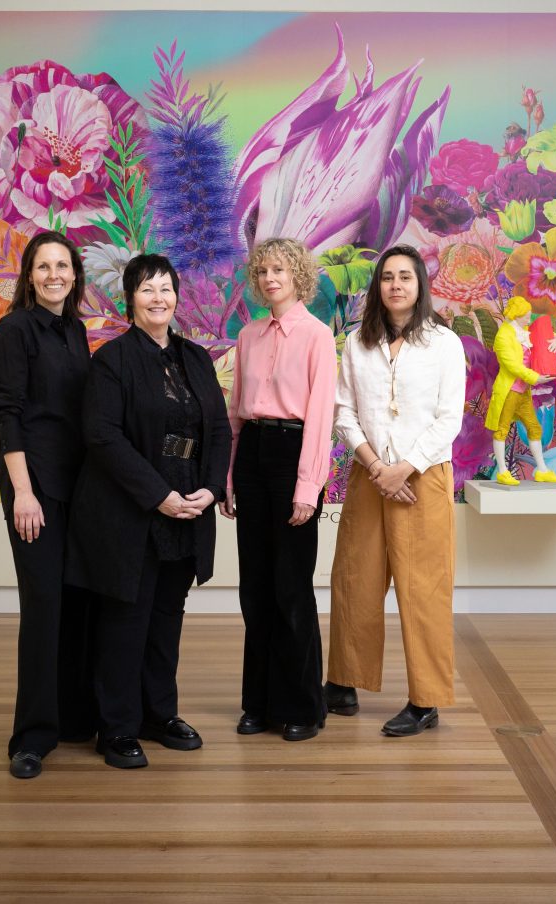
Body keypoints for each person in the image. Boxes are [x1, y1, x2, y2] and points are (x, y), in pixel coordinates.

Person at [65, 254, 231, 769]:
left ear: (176, 297)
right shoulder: (111, 361)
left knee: (166, 617)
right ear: (130, 300)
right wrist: (158, 495)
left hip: (189, 502)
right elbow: (102, 436)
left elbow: (220, 430)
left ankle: (158, 713)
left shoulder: (196, 358)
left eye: (166, 289)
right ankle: (116, 728)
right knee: (126, 618)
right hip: (135, 506)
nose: (158, 298)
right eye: (146, 290)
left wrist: (209, 488)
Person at [324, 245, 466, 736]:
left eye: (405, 276)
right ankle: (343, 683)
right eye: (387, 277)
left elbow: (450, 418)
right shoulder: (355, 344)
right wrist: (376, 466)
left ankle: (425, 701)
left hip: (422, 478)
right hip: (369, 475)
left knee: (422, 588)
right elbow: (344, 411)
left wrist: (403, 469)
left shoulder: (445, 343)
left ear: (420, 284)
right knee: (354, 578)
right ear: (377, 287)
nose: (396, 285)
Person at [0, 231, 95, 779]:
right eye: (43, 266)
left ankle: (72, 716)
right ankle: (31, 735)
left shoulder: (74, 331)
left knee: (76, 603)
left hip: (77, 487)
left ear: (75, 274)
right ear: (29, 275)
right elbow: (6, 413)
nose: (55, 274)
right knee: (44, 604)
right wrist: (23, 492)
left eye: (63, 265)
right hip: (35, 487)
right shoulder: (14, 329)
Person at [221, 238, 337, 742]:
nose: (270, 278)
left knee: (291, 587)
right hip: (252, 457)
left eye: (280, 270)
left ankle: (302, 707)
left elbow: (320, 417)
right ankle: (259, 704)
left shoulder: (317, 336)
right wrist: (227, 477)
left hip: (293, 455)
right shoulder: (248, 335)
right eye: (263, 270)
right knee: (255, 587)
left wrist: (308, 486)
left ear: (298, 277)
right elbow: (234, 414)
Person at [485, 296, 556, 484]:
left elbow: (541, 337)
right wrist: (535, 378)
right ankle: (502, 471)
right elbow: (512, 365)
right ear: (517, 315)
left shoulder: (523, 331)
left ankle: (542, 470)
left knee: (534, 427)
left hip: (523, 392)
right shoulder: (504, 335)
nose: (529, 319)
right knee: (501, 429)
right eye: (526, 316)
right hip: (509, 391)